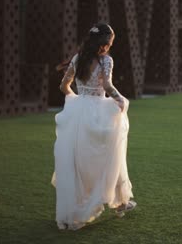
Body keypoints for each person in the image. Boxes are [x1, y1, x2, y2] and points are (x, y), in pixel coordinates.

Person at [52, 23, 136, 230]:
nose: (109, 46)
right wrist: (121, 99)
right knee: (112, 156)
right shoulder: (106, 61)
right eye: (110, 43)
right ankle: (121, 203)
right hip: (100, 113)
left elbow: (64, 86)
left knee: (77, 163)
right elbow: (107, 85)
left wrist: (76, 101)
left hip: (78, 114)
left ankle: (72, 210)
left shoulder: (77, 59)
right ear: (104, 43)